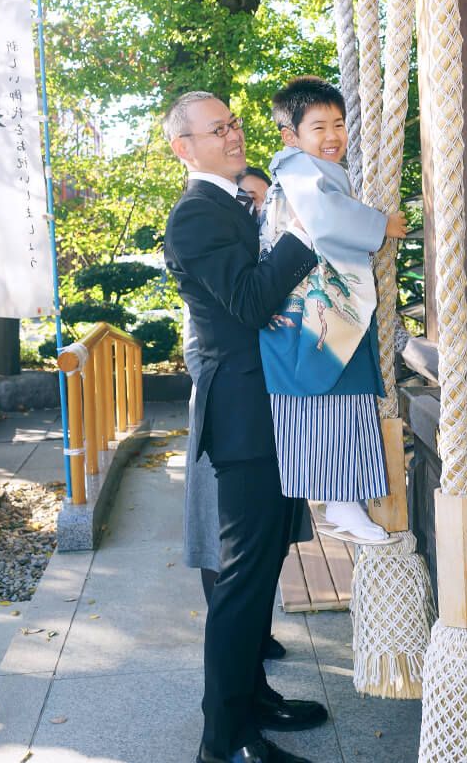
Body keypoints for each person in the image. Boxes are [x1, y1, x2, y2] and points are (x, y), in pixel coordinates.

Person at [163, 91, 326, 763]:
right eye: (217, 129)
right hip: (244, 417)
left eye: (234, 123)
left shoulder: (231, 200)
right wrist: (303, 236)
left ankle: (253, 698)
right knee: (241, 582)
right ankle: (222, 741)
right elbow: (254, 301)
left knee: (261, 573)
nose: (234, 135)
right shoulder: (196, 216)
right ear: (183, 147)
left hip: (268, 407)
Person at [258, 76, 407, 545]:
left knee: (340, 401)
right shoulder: (299, 169)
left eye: (339, 125)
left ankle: (344, 504)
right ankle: (343, 506)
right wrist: (382, 224)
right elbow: (325, 218)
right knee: (332, 401)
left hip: (317, 311)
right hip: (310, 316)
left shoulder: (300, 170)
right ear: (291, 136)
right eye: (318, 126)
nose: (332, 136)